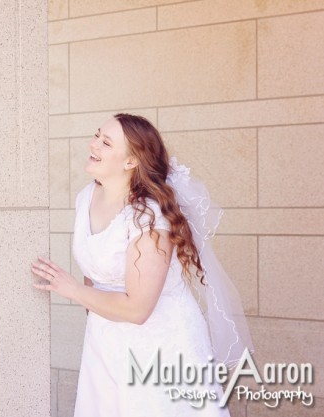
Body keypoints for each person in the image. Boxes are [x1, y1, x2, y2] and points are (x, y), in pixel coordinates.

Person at [32, 114, 252, 416]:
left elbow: (138, 309)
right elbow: (93, 271)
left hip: (159, 347)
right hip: (105, 341)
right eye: (97, 136)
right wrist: (95, 313)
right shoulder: (86, 197)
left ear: (131, 161)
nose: (93, 144)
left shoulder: (149, 217)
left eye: (106, 143)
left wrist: (68, 289)